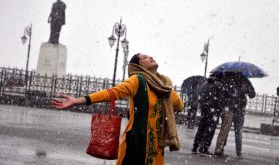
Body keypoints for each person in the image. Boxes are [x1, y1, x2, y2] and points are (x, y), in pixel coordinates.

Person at [51, 53, 184, 165]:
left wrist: (169, 105)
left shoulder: (164, 88)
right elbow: (111, 93)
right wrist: (78, 101)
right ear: (138, 66)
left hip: (156, 148)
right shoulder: (137, 80)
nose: (150, 57)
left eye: (149, 56)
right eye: (144, 58)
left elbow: (180, 105)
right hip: (135, 145)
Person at [191, 77, 225, 155]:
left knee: (201, 129)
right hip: (213, 112)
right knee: (210, 130)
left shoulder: (205, 84)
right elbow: (220, 100)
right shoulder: (218, 85)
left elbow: (200, 98)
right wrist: (220, 109)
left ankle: (195, 147)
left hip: (204, 110)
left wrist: (204, 106)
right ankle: (204, 148)